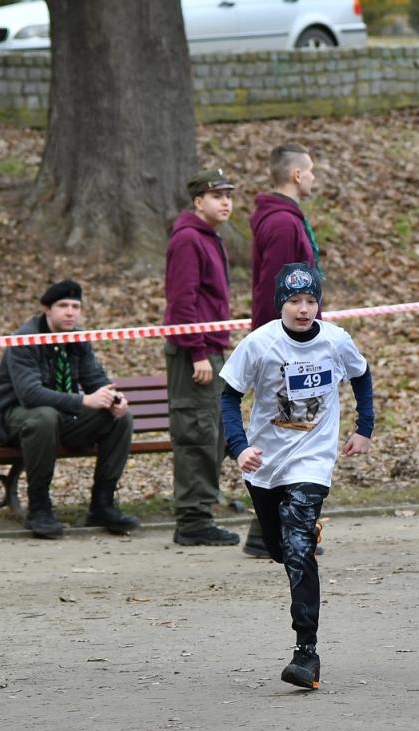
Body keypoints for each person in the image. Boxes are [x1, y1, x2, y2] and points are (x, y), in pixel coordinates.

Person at [220, 263, 374, 690]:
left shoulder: (335, 341)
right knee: (278, 548)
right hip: (266, 462)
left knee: (298, 545)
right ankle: (302, 532)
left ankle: (306, 652)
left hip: (313, 460)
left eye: (311, 301)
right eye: (294, 302)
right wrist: (240, 447)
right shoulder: (260, 344)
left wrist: (364, 428)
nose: (304, 310)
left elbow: (361, 376)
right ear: (280, 305)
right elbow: (229, 398)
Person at [0, 279, 140, 538]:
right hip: (11, 418)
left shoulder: (78, 338)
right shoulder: (25, 339)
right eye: (63, 306)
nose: (70, 312)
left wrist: (114, 398)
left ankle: (102, 504)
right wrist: (83, 400)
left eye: (76, 306)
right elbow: (30, 394)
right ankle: (39, 507)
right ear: (48, 309)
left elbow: (95, 378)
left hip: (58, 417)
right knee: (44, 417)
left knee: (120, 419)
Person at [244, 143, 322, 557]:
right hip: (284, 347)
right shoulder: (281, 225)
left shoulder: (287, 219)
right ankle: (270, 530)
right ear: (295, 175)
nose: (312, 177)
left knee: (296, 427)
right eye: (309, 171)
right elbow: (273, 290)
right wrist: (279, 342)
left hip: (298, 343)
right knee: (288, 431)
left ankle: (284, 525)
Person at [164, 167, 241, 547]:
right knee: (197, 431)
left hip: (212, 347)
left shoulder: (210, 237)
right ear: (198, 202)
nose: (225, 202)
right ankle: (193, 519)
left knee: (217, 431)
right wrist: (196, 353)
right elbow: (182, 303)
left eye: (228, 195)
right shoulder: (188, 240)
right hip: (194, 350)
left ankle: (202, 506)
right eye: (216, 196)